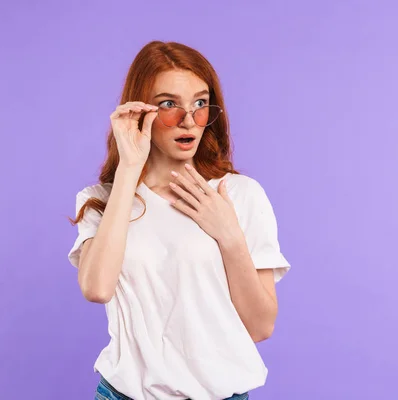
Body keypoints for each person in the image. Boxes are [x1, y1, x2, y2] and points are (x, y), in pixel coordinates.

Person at [67, 41, 291, 400]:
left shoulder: (240, 195)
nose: (189, 120)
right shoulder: (101, 200)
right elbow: (96, 288)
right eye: (169, 104)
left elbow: (261, 326)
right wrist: (129, 168)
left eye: (200, 104)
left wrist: (228, 234)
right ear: (140, 111)